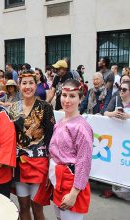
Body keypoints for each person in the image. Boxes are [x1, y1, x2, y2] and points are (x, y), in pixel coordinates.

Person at [9, 70, 55, 220]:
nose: (27, 87)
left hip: (39, 163)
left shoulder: (45, 107)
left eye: (31, 83)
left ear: (36, 85)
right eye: (24, 83)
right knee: (23, 207)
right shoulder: (13, 108)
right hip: (19, 163)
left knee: (37, 207)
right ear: (19, 85)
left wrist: (51, 166)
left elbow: (50, 138)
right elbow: (10, 137)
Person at [49, 79, 93, 220]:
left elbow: (84, 162)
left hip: (71, 182)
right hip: (58, 179)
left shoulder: (82, 127)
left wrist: (74, 193)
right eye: (64, 95)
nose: (67, 100)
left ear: (80, 99)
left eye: (72, 96)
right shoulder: (61, 121)